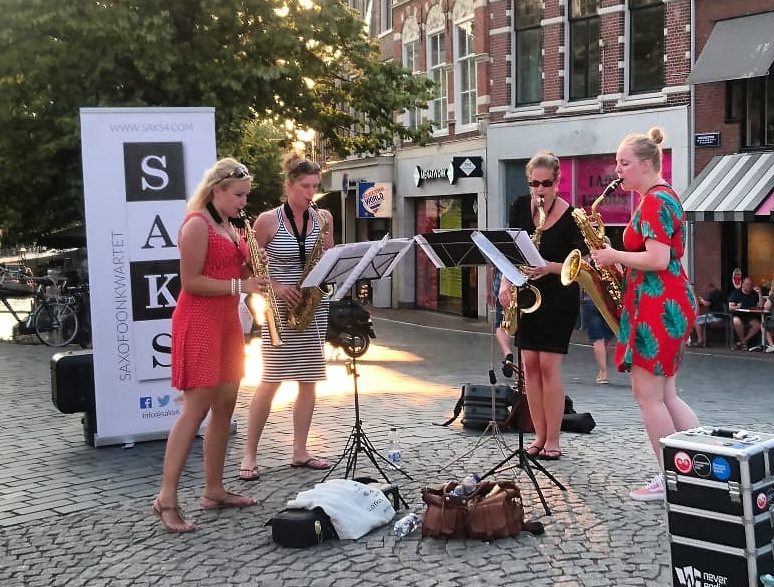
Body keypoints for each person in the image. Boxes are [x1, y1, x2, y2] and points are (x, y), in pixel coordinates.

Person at [153, 158, 267, 533]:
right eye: (238, 195)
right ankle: (166, 498)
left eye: (246, 196)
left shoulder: (230, 226)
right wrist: (241, 285)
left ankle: (214, 490)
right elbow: (190, 282)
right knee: (195, 410)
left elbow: (235, 273)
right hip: (199, 321)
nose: (243, 202)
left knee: (224, 408)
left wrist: (253, 266)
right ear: (217, 190)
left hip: (226, 322)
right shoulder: (197, 224)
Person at [591, 127, 699, 501]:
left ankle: (671, 479)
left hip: (658, 306)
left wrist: (613, 256)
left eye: (624, 163)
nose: (617, 170)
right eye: (617, 162)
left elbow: (658, 258)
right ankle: (699, 470)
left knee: (648, 395)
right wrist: (621, 263)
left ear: (647, 164)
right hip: (667, 301)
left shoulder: (654, 202)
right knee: (667, 395)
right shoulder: (662, 197)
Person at [239, 151, 334, 480]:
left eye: (316, 186)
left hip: (311, 305)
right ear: (290, 185)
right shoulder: (268, 220)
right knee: (271, 379)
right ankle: (249, 455)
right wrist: (277, 286)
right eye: (306, 186)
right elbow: (248, 265)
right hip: (278, 307)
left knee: (309, 380)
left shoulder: (323, 218)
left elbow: (329, 259)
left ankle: (300, 450)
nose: (311, 193)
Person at [498, 151, 584, 461]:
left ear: (557, 182)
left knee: (548, 366)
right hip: (527, 294)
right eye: (534, 184)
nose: (540, 190)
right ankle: (538, 435)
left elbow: (581, 263)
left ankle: (554, 439)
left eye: (546, 184)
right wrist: (505, 284)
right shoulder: (520, 207)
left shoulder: (572, 216)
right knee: (529, 368)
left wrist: (548, 267)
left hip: (558, 296)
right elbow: (510, 251)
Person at [580, 285, 614, 385]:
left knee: (598, 339)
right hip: (610, 299)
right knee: (607, 337)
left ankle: (603, 373)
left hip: (590, 298)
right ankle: (603, 370)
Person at [728, 277, 763, 350]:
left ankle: (742, 342)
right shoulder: (736, 293)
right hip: (738, 315)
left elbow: (761, 307)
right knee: (736, 321)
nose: (749, 286)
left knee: (757, 325)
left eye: (751, 285)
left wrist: (759, 293)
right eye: (747, 284)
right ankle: (743, 342)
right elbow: (730, 307)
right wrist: (736, 307)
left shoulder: (754, 294)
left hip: (750, 316)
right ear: (743, 285)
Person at [491, 269, 514, 377]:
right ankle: (523, 370)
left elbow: (490, 269)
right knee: (524, 329)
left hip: (503, 292)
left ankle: (507, 353)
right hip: (524, 289)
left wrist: (489, 291)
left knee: (501, 325)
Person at [689, 283, 725, 347]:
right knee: (702, 322)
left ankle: (700, 341)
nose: (706, 291)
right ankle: (704, 341)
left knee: (695, 320)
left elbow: (707, 304)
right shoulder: (720, 293)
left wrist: (701, 299)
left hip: (715, 315)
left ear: (710, 288)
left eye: (706, 289)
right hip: (722, 315)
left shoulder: (712, 293)